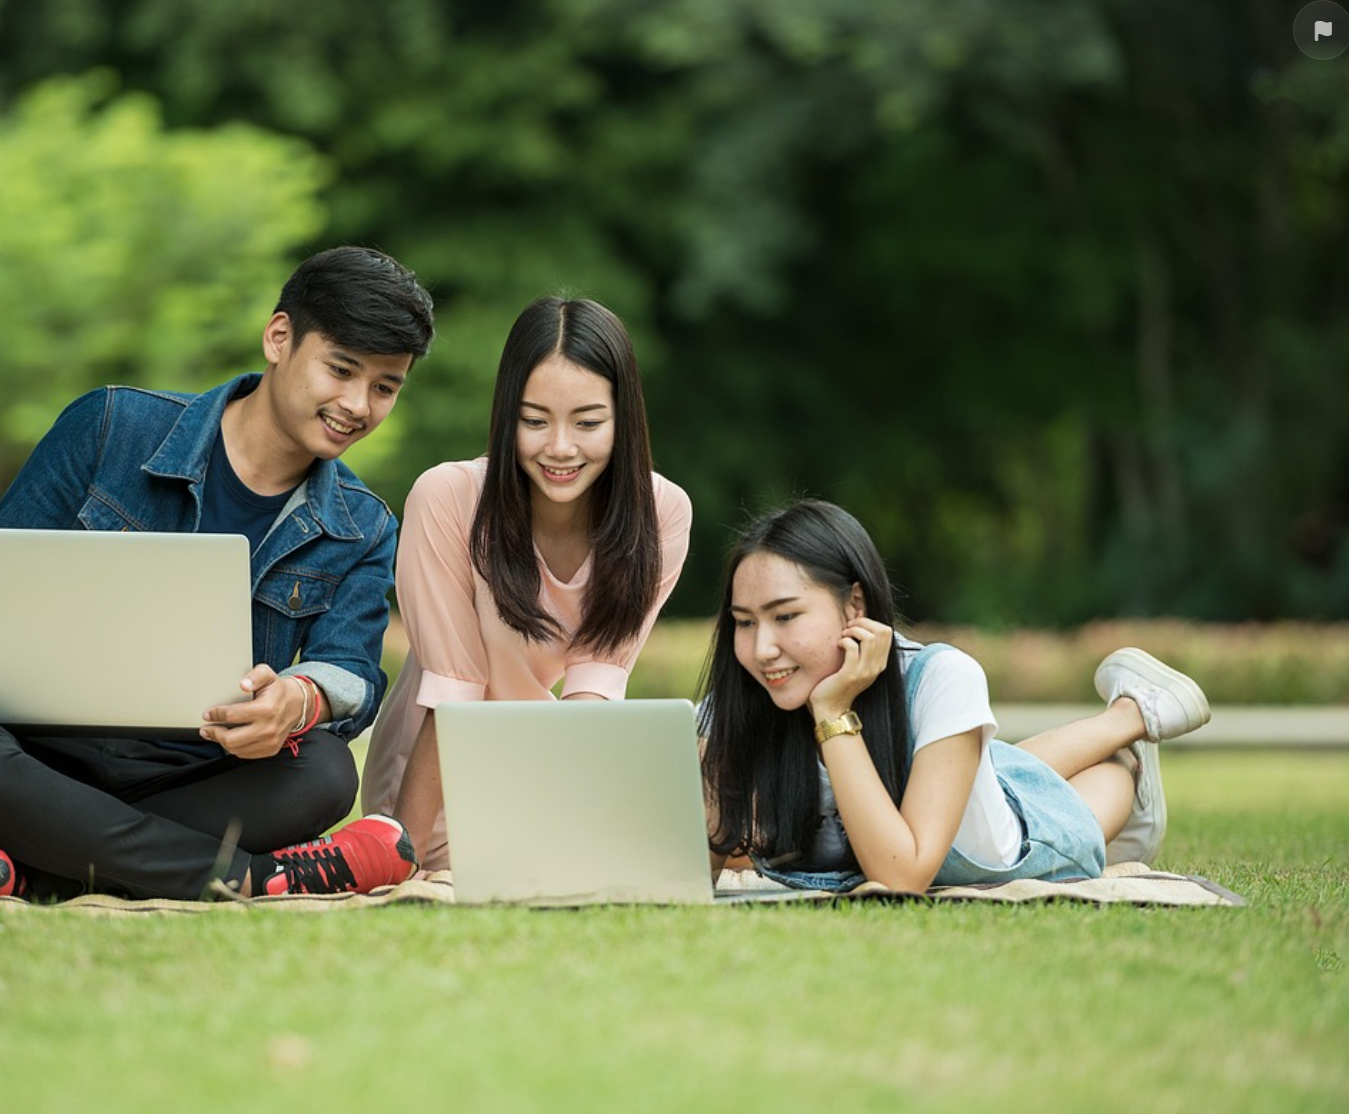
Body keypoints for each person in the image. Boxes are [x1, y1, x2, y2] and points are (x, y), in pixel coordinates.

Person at [0, 246, 436, 901]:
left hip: (199, 772)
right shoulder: (109, 425)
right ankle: (254, 877)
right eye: (340, 370)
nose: (357, 403)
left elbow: (349, 670)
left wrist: (298, 700)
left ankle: (32, 866)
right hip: (32, 756)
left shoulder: (363, 524)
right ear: (278, 337)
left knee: (324, 772)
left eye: (384, 387)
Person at [699, 499, 1211, 893]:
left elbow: (900, 878)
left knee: (1099, 780)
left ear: (855, 605)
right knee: (993, 766)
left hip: (1012, 841)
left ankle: (1129, 727)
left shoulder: (942, 677)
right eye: (745, 622)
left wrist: (832, 712)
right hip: (964, 779)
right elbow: (694, 865)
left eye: (786, 616)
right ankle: (1128, 712)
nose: (762, 649)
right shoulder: (743, 700)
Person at [356, 296, 693, 875]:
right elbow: (452, 693)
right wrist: (401, 860)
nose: (560, 447)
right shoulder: (448, 498)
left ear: (625, 419)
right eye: (534, 421)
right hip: (431, 781)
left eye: (588, 423)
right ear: (506, 415)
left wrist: (573, 820)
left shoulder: (661, 514)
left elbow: (594, 690)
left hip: (543, 760)